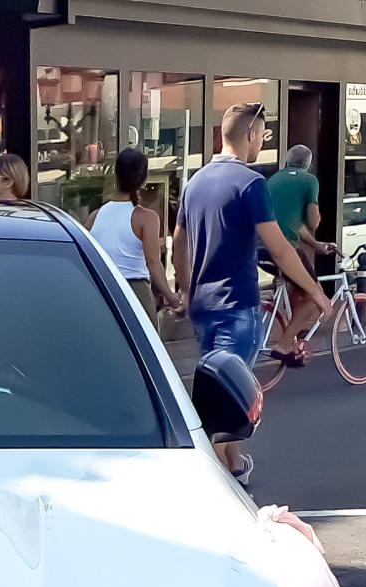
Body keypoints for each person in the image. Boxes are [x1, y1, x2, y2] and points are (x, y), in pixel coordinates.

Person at [173, 102, 323, 480]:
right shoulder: (250, 183)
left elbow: (178, 242)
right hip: (237, 306)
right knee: (227, 405)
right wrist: (316, 292)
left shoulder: (196, 182)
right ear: (251, 135)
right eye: (262, 135)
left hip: (204, 309)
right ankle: (207, 479)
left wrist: (186, 289)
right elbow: (281, 249)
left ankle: (235, 468)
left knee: (220, 393)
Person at [88, 147, 173, 326]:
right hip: (134, 290)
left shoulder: (95, 216)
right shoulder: (147, 218)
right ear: (143, 180)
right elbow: (153, 262)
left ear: (116, 176)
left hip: (102, 290)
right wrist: (172, 298)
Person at [262, 144, 327, 363]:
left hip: (261, 248)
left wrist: (316, 245)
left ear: (287, 162)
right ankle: (284, 344)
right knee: (315, 296)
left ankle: (292, 336)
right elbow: (311, 222)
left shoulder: (273, 180)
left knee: (299, 290)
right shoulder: (309, 181)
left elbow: (292, 224)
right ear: (308, 164)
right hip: (283, 248)